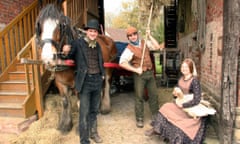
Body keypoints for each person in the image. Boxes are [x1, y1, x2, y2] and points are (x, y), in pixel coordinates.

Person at [145, 58, 207, 144]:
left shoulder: (194, 81)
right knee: (165, 107)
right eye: (182, 67)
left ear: (191, 69)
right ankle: (157, 129)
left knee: (181, 123)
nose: (184, 69)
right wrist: (175, 94)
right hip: (180, 103)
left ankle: (175, 137)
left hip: (191, 108)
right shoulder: (181, 79)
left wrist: (184, 105)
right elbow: (177, 94)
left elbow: (197, 99)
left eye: (186, 67)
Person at [63, 19, 104, 144]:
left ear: (97, 33)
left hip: (97, 80)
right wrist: (65, 51)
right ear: (87, 32)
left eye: (95, 31)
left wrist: (102, 76)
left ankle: (94, 133)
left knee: (94, 110)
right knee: (84, 112)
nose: (93, 33)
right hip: (85, 82)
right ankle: (84, 140)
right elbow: (69, 56)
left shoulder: (97, 45)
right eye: (91, 31)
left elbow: (100, 62)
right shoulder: (77, 43)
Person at [119, 26, 163, 128]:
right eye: (130, 36)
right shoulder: (128, 49)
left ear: (137, 34)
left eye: (134, 34)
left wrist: (149, 35)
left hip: (150, 73)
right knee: (139, 97)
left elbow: (157, 47)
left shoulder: (145, 42)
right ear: (128, 38)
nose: (133, 37)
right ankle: (139, 118)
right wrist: (135, 69)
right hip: (139, 75)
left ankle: (155, 115)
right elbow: (122, 63)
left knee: (154, 95)